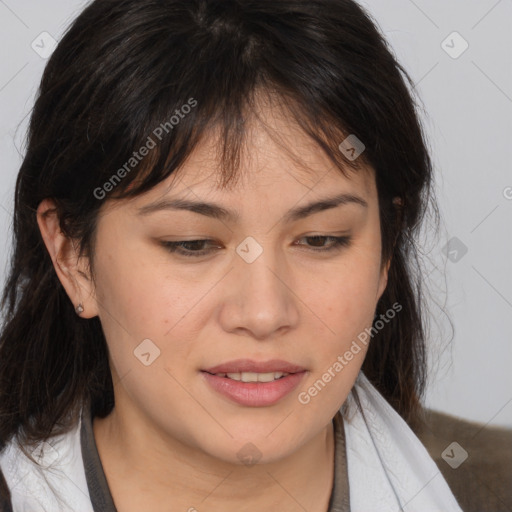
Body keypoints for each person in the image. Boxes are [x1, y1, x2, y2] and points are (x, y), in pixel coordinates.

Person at [0, 1, 506, 511]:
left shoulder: (492, 485)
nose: (264, 313)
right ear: (72, 257)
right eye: (192, 244)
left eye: (321, 239)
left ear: (386, 247)